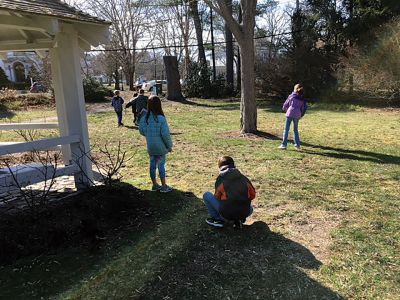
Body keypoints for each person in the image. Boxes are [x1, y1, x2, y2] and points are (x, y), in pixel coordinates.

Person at [203, 156, 256, 229]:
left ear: (220, 167)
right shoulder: (244, 178)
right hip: (245, 212)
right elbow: (252, 195)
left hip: (227, 214)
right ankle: (239, 219)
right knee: (250, 208)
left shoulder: (220, 179)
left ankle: (218, 220)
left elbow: (217, 197)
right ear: (234, 165)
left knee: (206, 195)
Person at [139, 96, 173, 193]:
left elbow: (141, 131)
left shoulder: (144, 118)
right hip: (160, 148)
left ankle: (154, 185)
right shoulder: (161, 118)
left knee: (152, 165)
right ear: (159, 105)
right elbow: (165, 134)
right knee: (161, 165)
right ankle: (164, 186)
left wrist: (148, 134)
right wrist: (169, 146)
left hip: (151, 147)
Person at [279, 83, 307, 150]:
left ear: (295, 89)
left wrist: (286, 110)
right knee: (295, 130)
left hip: (290, 113)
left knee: (286, 130)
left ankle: (284, 145)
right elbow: (304, 108)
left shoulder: (291, 96)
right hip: (297, 115)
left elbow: (285, 105)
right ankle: (297, 145)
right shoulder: (302, 99)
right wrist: (301, 115)